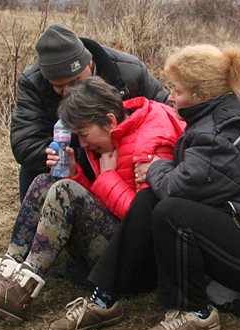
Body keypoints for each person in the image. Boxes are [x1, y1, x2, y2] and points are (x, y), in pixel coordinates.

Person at [50, 44, 240, 330]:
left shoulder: (221, 134)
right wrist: (163, 170)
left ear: (201, 95)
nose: (169, 96)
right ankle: (103, 298)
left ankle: (195, 311)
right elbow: (188, 178)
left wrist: (156, 168)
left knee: (171, 210)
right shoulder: (219, 118)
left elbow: (178, 187)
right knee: (152, 201)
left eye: (177, 89)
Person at [0, 76, 185, 325]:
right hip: (118, 242)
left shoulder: (151, 143)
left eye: (83, 134)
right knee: (44, 183)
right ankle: (5, 273)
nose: (81, 143)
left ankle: (22, 291)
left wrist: (107, 177)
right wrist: (76, 175)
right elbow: (102, 205)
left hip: (138, 264)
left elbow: (145, 219)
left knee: (65, 191)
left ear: (110, 120)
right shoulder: (113, 135)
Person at [11, 23, 170, 202]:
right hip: (73, 154)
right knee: (36, 167)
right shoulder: (33, 82)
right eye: (58, 87)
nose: (68, 93)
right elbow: (25, 144)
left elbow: (169, 114)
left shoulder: (129, 71)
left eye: (74, 82)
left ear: (90, 63)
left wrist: (154, 159)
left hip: (127, 154)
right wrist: (77, 155)